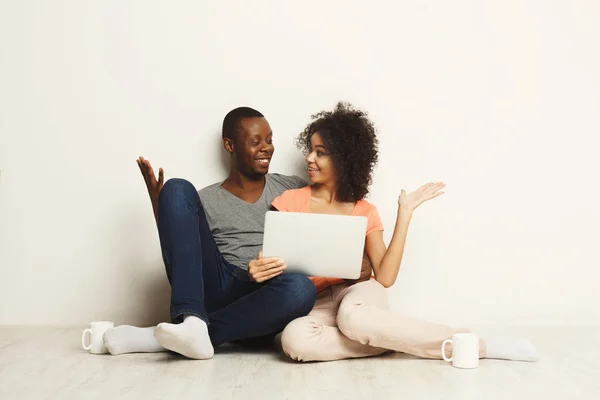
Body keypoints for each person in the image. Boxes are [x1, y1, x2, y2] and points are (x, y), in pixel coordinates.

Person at [272, 102, 539, 362]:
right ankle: (388, 339)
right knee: (294, 340)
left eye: (320, 152)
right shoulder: (290, 201)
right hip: (316, 300)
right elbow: (275, 263)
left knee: (354, 319)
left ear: (343, 160)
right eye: (310, 150)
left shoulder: (365, 210)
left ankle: (471, 344)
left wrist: (405, 213)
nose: (309, 158)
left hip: (357, 295)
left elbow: (385, 277)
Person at [102, 107, 323, 359]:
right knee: (176, 188)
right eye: (255, 142)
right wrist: (161, 205)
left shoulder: (291, 186)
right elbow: (181, 252)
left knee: (301, 289)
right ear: (230, 145)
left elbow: (327, 219)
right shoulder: (204, 199)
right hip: (218, 287)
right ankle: (192, 321)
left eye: (270, 140)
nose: (267, 148)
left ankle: (180, 335)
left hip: (262, 301)